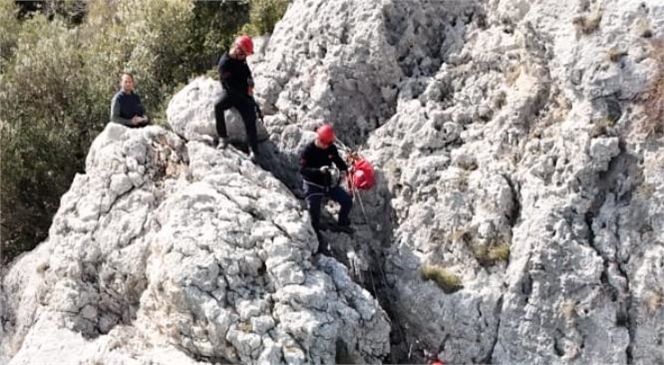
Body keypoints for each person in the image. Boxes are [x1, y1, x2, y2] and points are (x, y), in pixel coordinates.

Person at [299, 124, 354, 243]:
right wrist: (318, 171)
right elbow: (303, 170)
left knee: (347, 201)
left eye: (329, 144)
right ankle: (316, 235)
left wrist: (345, 169)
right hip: (312, 183)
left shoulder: (330, 148)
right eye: (326, 144)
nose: (327, 147)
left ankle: (342, 223)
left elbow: (337, 161)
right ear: (319, 140)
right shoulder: (308, 150)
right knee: (314, 209)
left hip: (326, 182)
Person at [214, 35, 260, 162]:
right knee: (218, 106)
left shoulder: (241, 60)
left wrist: (250, 83)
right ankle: (223, 137)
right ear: (238, 50)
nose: (245, 57)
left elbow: (247, 72)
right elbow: (231, 86)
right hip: (231, 93)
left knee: (250, 118)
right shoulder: (224, 64)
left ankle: (254, 150)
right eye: (244, 54)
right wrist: (246, 96)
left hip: (242, 93)